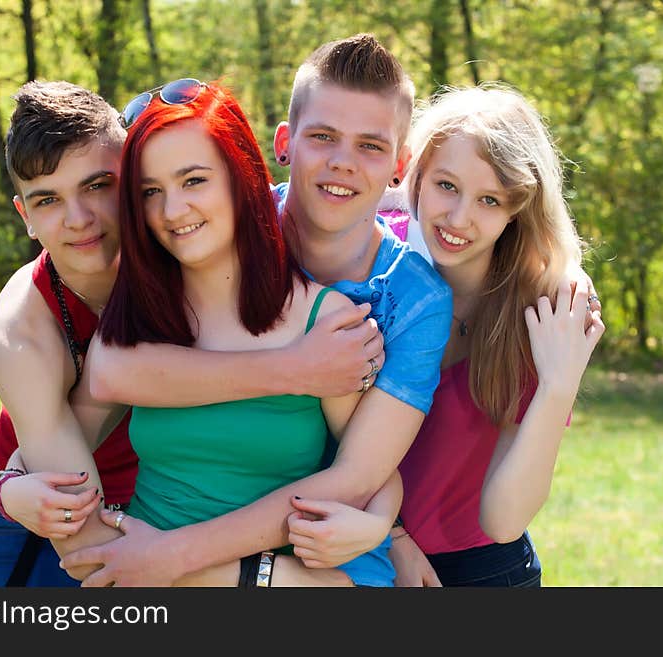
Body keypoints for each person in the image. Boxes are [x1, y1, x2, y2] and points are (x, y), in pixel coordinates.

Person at [60, 33, 454, 587]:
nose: (343, 163)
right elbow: (111, 369)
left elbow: (361, 473)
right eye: (323, 137)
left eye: (370, 145)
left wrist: (391, 530)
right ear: (284, 144)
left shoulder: (413, 301)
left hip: (316, 559)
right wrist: (294, 370)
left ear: (399, 163)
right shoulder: (212, 223)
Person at [0, 80, 384, 587]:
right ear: (27, 216)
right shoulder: (25, 331)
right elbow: (82, 519)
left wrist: (393, 535)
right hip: (52, 511)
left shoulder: (184, 260)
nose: (79, 220)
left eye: (98, 186)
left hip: (170, 519)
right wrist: (9, 488)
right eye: (48, 200)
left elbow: (366, 468)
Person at [387, 84, 606, 586]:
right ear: (417, 174)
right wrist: (390, 537)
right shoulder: (374, 260)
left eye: (489, 199)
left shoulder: (545, 311)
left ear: (517, 210)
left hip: (485, 570)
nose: (458, 219)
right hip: (359, 553)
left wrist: (558, 386)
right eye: (446, 185)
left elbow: (504, 520)